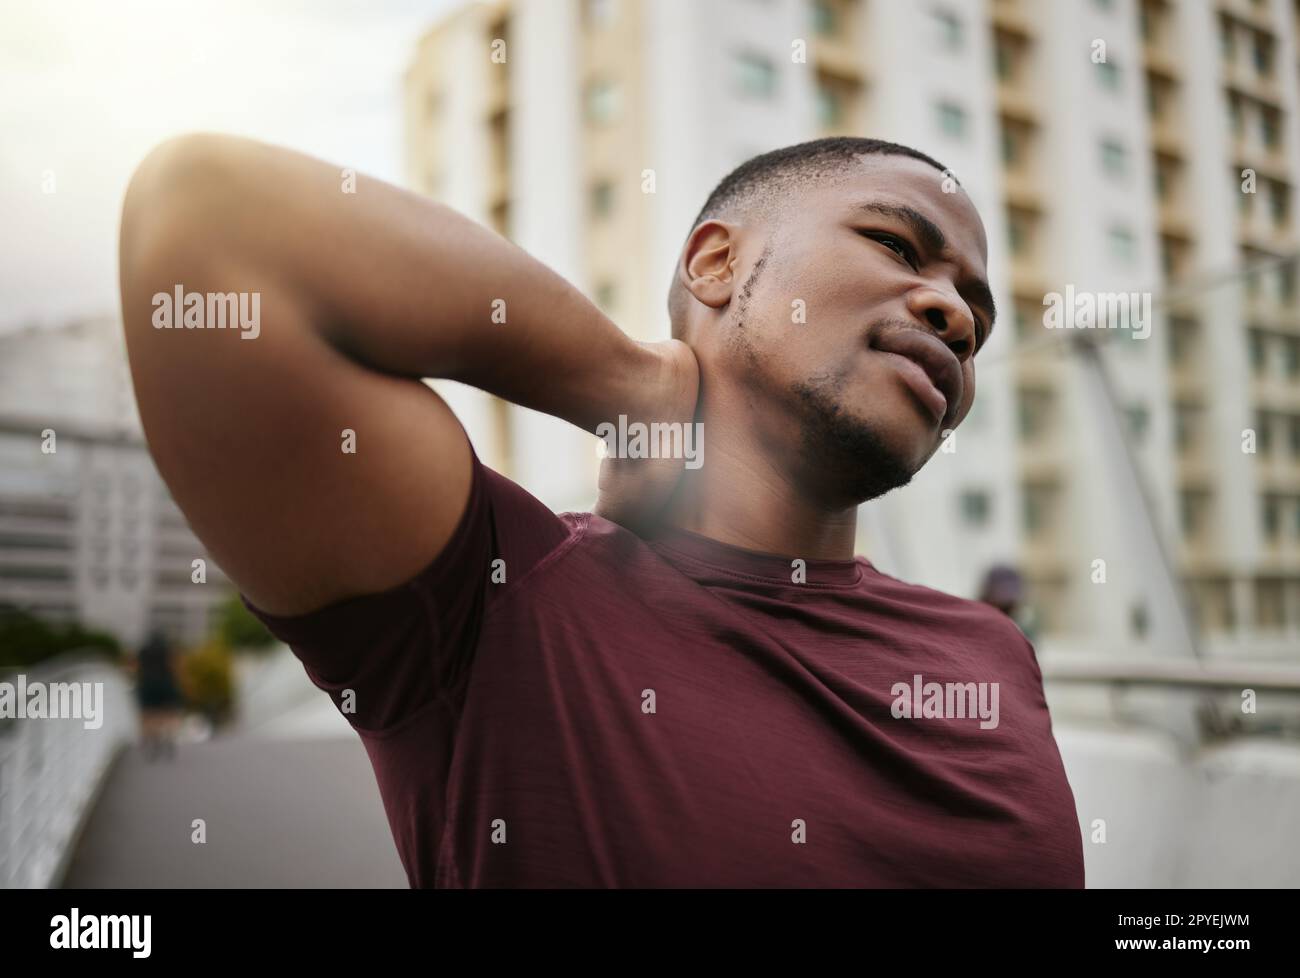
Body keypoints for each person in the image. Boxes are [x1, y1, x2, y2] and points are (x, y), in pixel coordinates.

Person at [118, 133, 1083, 887]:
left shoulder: (991, 654)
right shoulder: (499, 601)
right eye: (896, 245)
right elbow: (200, 217)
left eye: (977, 313)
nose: (955, 316)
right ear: (714, 264)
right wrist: (627, 388)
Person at [133, 628, 183, 760]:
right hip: (165, 682)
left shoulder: (143, 651)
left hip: (147, 683)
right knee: (168, 713)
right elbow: (174, 666)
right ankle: (168, 737)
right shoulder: (167, 650)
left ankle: (152, 740)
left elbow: (136, 667)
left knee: (149, 715)